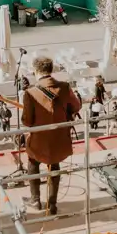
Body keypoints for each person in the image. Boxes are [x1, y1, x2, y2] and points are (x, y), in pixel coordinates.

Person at [21, 57, 81, 216]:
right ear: (51, 70)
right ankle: (52, 204)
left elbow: (27, 121)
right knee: (54, 165)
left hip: (39, 139)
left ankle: (35, 199)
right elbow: (77, 106)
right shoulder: (64, 87)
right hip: (60, 136)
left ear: (36, 71)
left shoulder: (30, 92)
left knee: (32, 161)